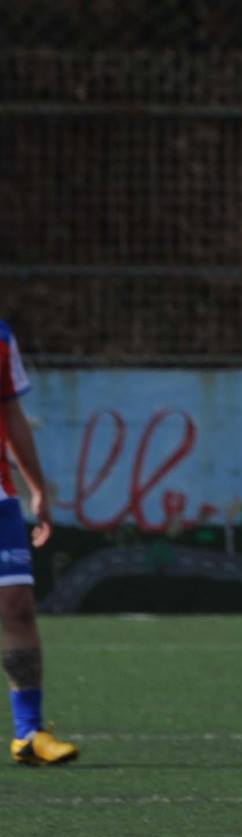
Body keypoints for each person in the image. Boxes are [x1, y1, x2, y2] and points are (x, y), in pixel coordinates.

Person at [0, 320, 79, 768]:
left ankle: (28, 732)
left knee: (18, 605)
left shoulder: (1, 337)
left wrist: (38, 489)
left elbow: (10, 415)